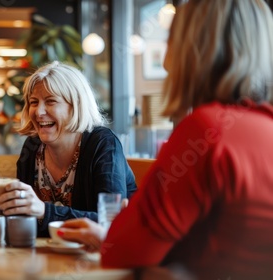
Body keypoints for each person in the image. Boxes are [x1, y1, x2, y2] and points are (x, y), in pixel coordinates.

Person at [57, 0, 273, 279]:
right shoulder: (262, 124)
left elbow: (122, 252)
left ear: (192, 50)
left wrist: (122, 227)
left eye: (173, 36)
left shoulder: (207, 131)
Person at [0, 61, 137, 237]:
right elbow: (26, 220)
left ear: (76, 106)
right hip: (48, 254)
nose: (39, 112)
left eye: (51, 101)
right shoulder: (33, 146)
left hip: (104, 255)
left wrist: (44, 211)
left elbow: (111, 221)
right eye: (34, 102)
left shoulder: (102, 143)